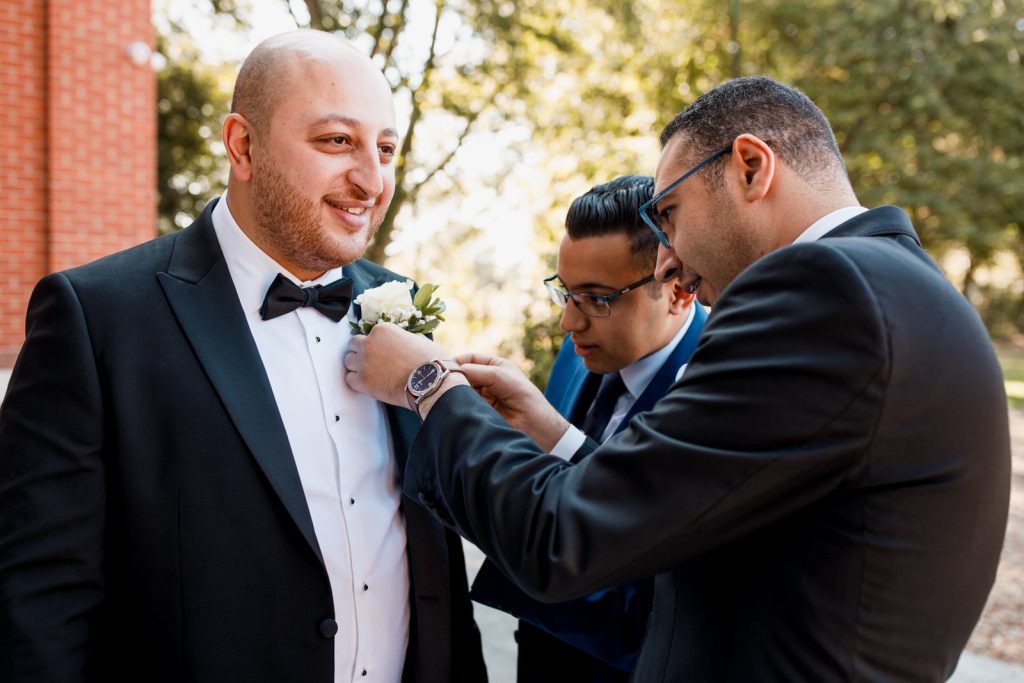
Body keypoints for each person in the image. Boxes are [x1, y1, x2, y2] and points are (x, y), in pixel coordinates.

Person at [344, 76, 1012, 681]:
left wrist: (430, 383)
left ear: (750, 167)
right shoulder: (902, 289)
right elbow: (698, 507)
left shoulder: (823, 290)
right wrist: (555, 434)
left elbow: (563, 538)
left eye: (668, 214)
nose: (669, 261)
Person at [0, 30, 485, 683]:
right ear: (243, 145)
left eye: (387, 148)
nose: (371, 179)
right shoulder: (96, 319)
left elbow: (434, 562)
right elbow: (39, 604)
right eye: (337, 141)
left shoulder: (401, 310)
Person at [469, 174, 706, 682]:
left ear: (678, 289)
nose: (569, 325)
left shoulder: (723, 381)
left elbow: (665, 589)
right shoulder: (581, 353)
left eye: (598, 298)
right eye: (566, 293)